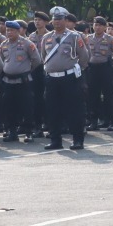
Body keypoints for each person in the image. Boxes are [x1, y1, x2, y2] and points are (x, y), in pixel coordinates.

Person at [39, 8, 89, 150]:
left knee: (74, 109)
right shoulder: (47, 38)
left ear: (65, 21)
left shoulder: (74, 37)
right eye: (54, 19)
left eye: (60, 19)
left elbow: (84, 57)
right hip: (52, 79)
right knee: (52, 110)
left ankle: (77, 139)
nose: (57, 22)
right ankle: (56, 140)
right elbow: (43, 57)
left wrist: (76, 71)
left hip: (70, 78)